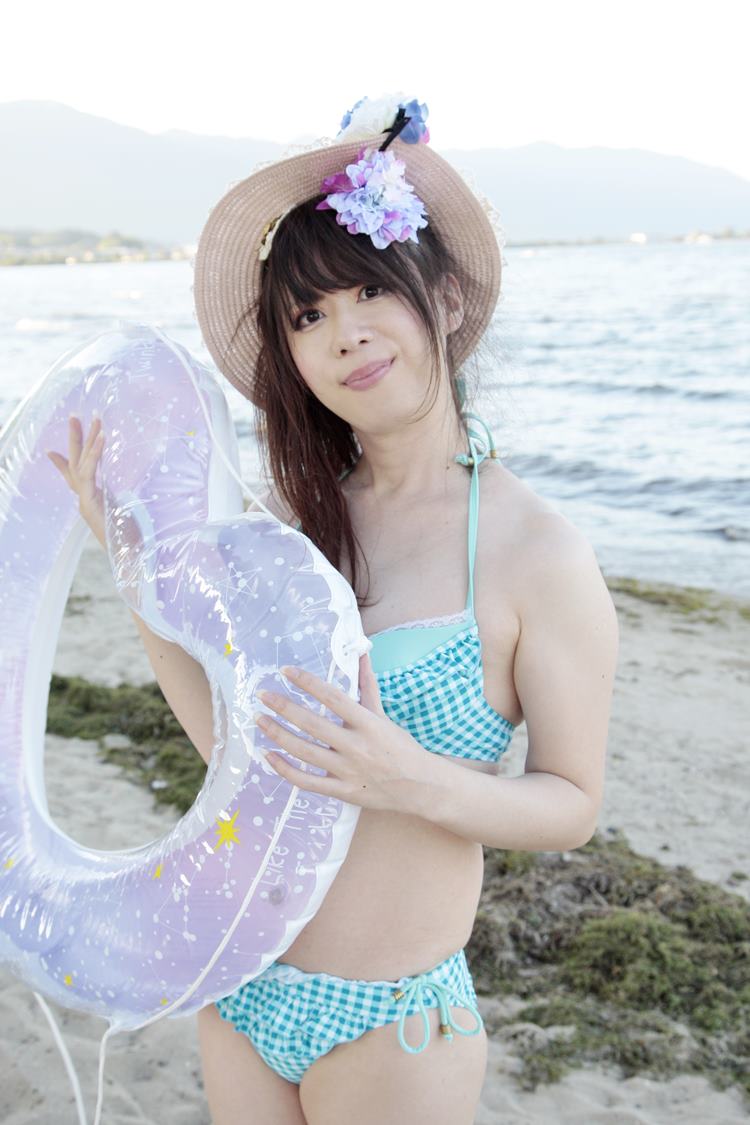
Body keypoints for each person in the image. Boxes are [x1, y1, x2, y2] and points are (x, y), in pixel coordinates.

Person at [49, 94, 619, 1125]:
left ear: (445, 299)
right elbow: (238, 746)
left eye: (369, 289)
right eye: (308, 317)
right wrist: (134, 569)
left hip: (393, 1022)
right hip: (241, 980)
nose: (345, 333)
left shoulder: (538, 554)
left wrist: (411, 779)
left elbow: (572, 803)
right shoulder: (292, 529)